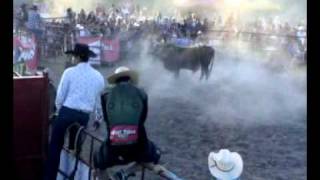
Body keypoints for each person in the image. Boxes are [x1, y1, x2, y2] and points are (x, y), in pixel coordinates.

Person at [44, 43, 105, 180]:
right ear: (88, 57)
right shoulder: (98, 77)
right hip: (83, 116)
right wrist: (98, 119)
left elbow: (60, 96)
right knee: (76, 148)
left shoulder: (69, 72)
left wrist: (59, 111)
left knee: (55, 146)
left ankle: (50, 177)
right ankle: (73, 174)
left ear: (76, 57)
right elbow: (98, 101)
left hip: (67, 112)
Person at [94, 66, 161, 179]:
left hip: (113, 145)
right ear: (130, 79)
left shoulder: (105, 95)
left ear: (116, 81)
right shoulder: (142, 93)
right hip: (137, 145)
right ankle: (125, 173)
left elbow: (107, 120)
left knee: (97, 160)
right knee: (155, 154)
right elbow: (142, 119)